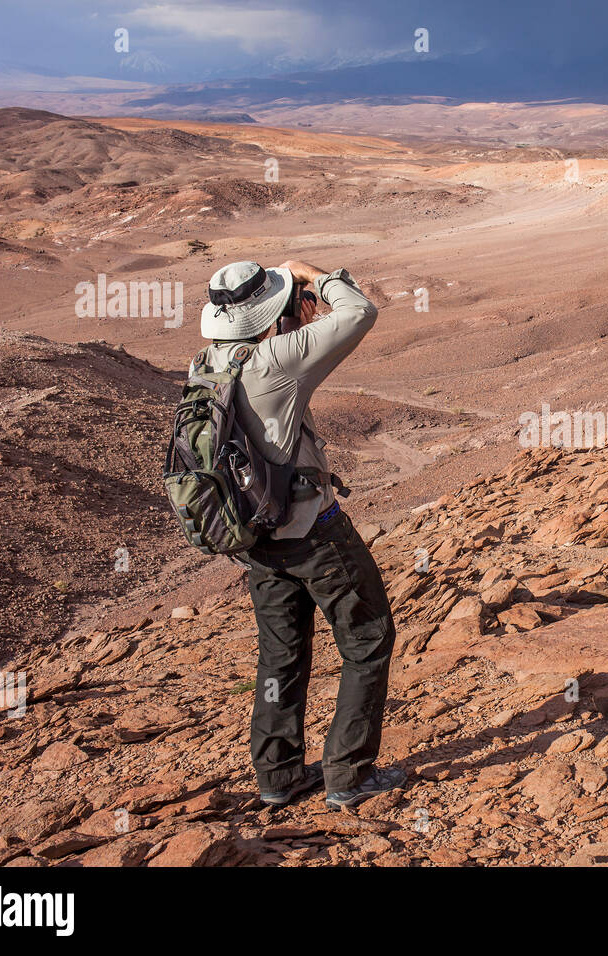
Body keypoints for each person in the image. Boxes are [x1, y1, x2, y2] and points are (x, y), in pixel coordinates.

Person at [197, 258, 405, 809]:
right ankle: (350, 775)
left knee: (281, 656)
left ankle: (278, 774)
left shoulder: (208, 364)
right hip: (315, 535)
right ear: (271, 313)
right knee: (367, 640)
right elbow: (360, 312)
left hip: (257, 541)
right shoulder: (273, 361)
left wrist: (286, 310)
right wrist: (314, 276)